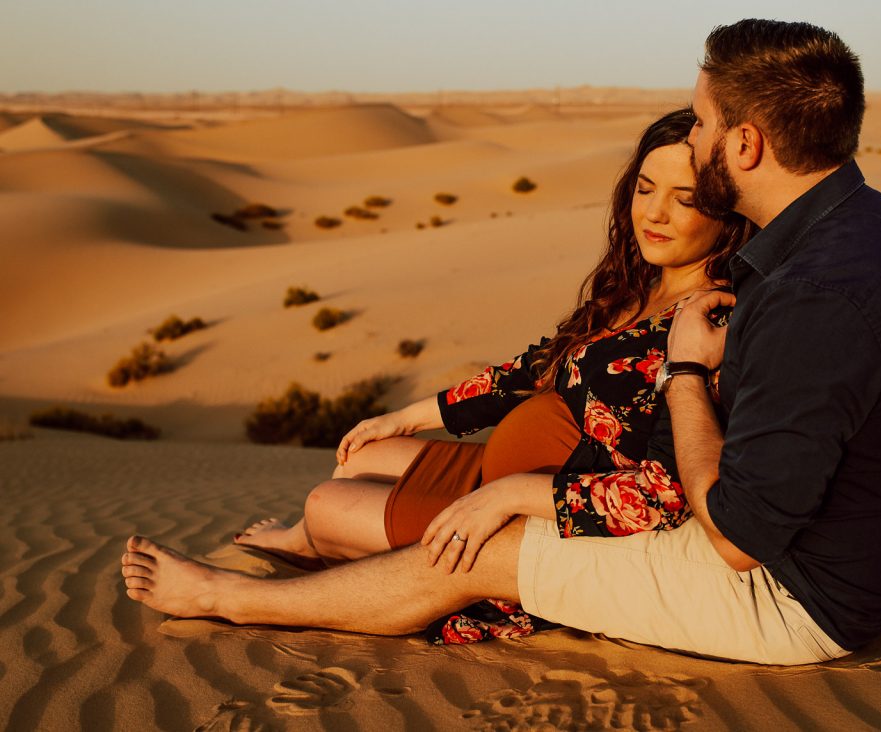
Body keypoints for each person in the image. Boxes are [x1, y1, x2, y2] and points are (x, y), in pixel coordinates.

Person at [122, 19, 881, 666]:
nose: (694, 138)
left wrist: (677, 373)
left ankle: (231, 600)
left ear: (746, 144)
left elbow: (736, 535)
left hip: (791, 598)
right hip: (844, 568)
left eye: (705, 124)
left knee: (482, 552)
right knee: (405, 495)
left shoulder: (804, 297)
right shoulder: (880, 228)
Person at [230, 110, 749, 595]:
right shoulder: (636, 289)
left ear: (725, 214)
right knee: (359, 457)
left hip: (544, 521)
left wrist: (510, 493)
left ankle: (324, 546)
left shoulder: (706, 323)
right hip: (502, 481)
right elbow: (533, 368)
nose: (653, 213)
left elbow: (661, 495)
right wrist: (410, 417)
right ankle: (317, 540)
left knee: (326, 505)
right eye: (644, 188)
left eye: (685, 199)